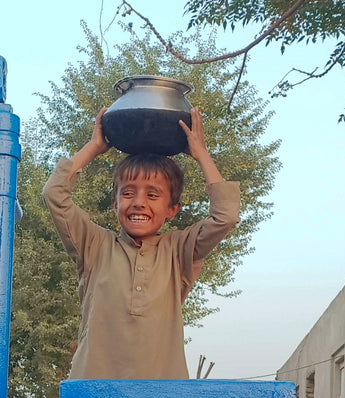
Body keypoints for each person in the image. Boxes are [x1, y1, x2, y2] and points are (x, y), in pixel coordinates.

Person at [42, 107, 240, 379]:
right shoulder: (96, 246)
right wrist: (93, 146)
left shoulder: (180, 251)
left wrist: (201, 154)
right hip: (94, 390)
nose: (138, 202)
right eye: (128, 192)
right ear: (115, 203)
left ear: (173, 209)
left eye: (153, 194)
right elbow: (54, 193)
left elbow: (226, 217)